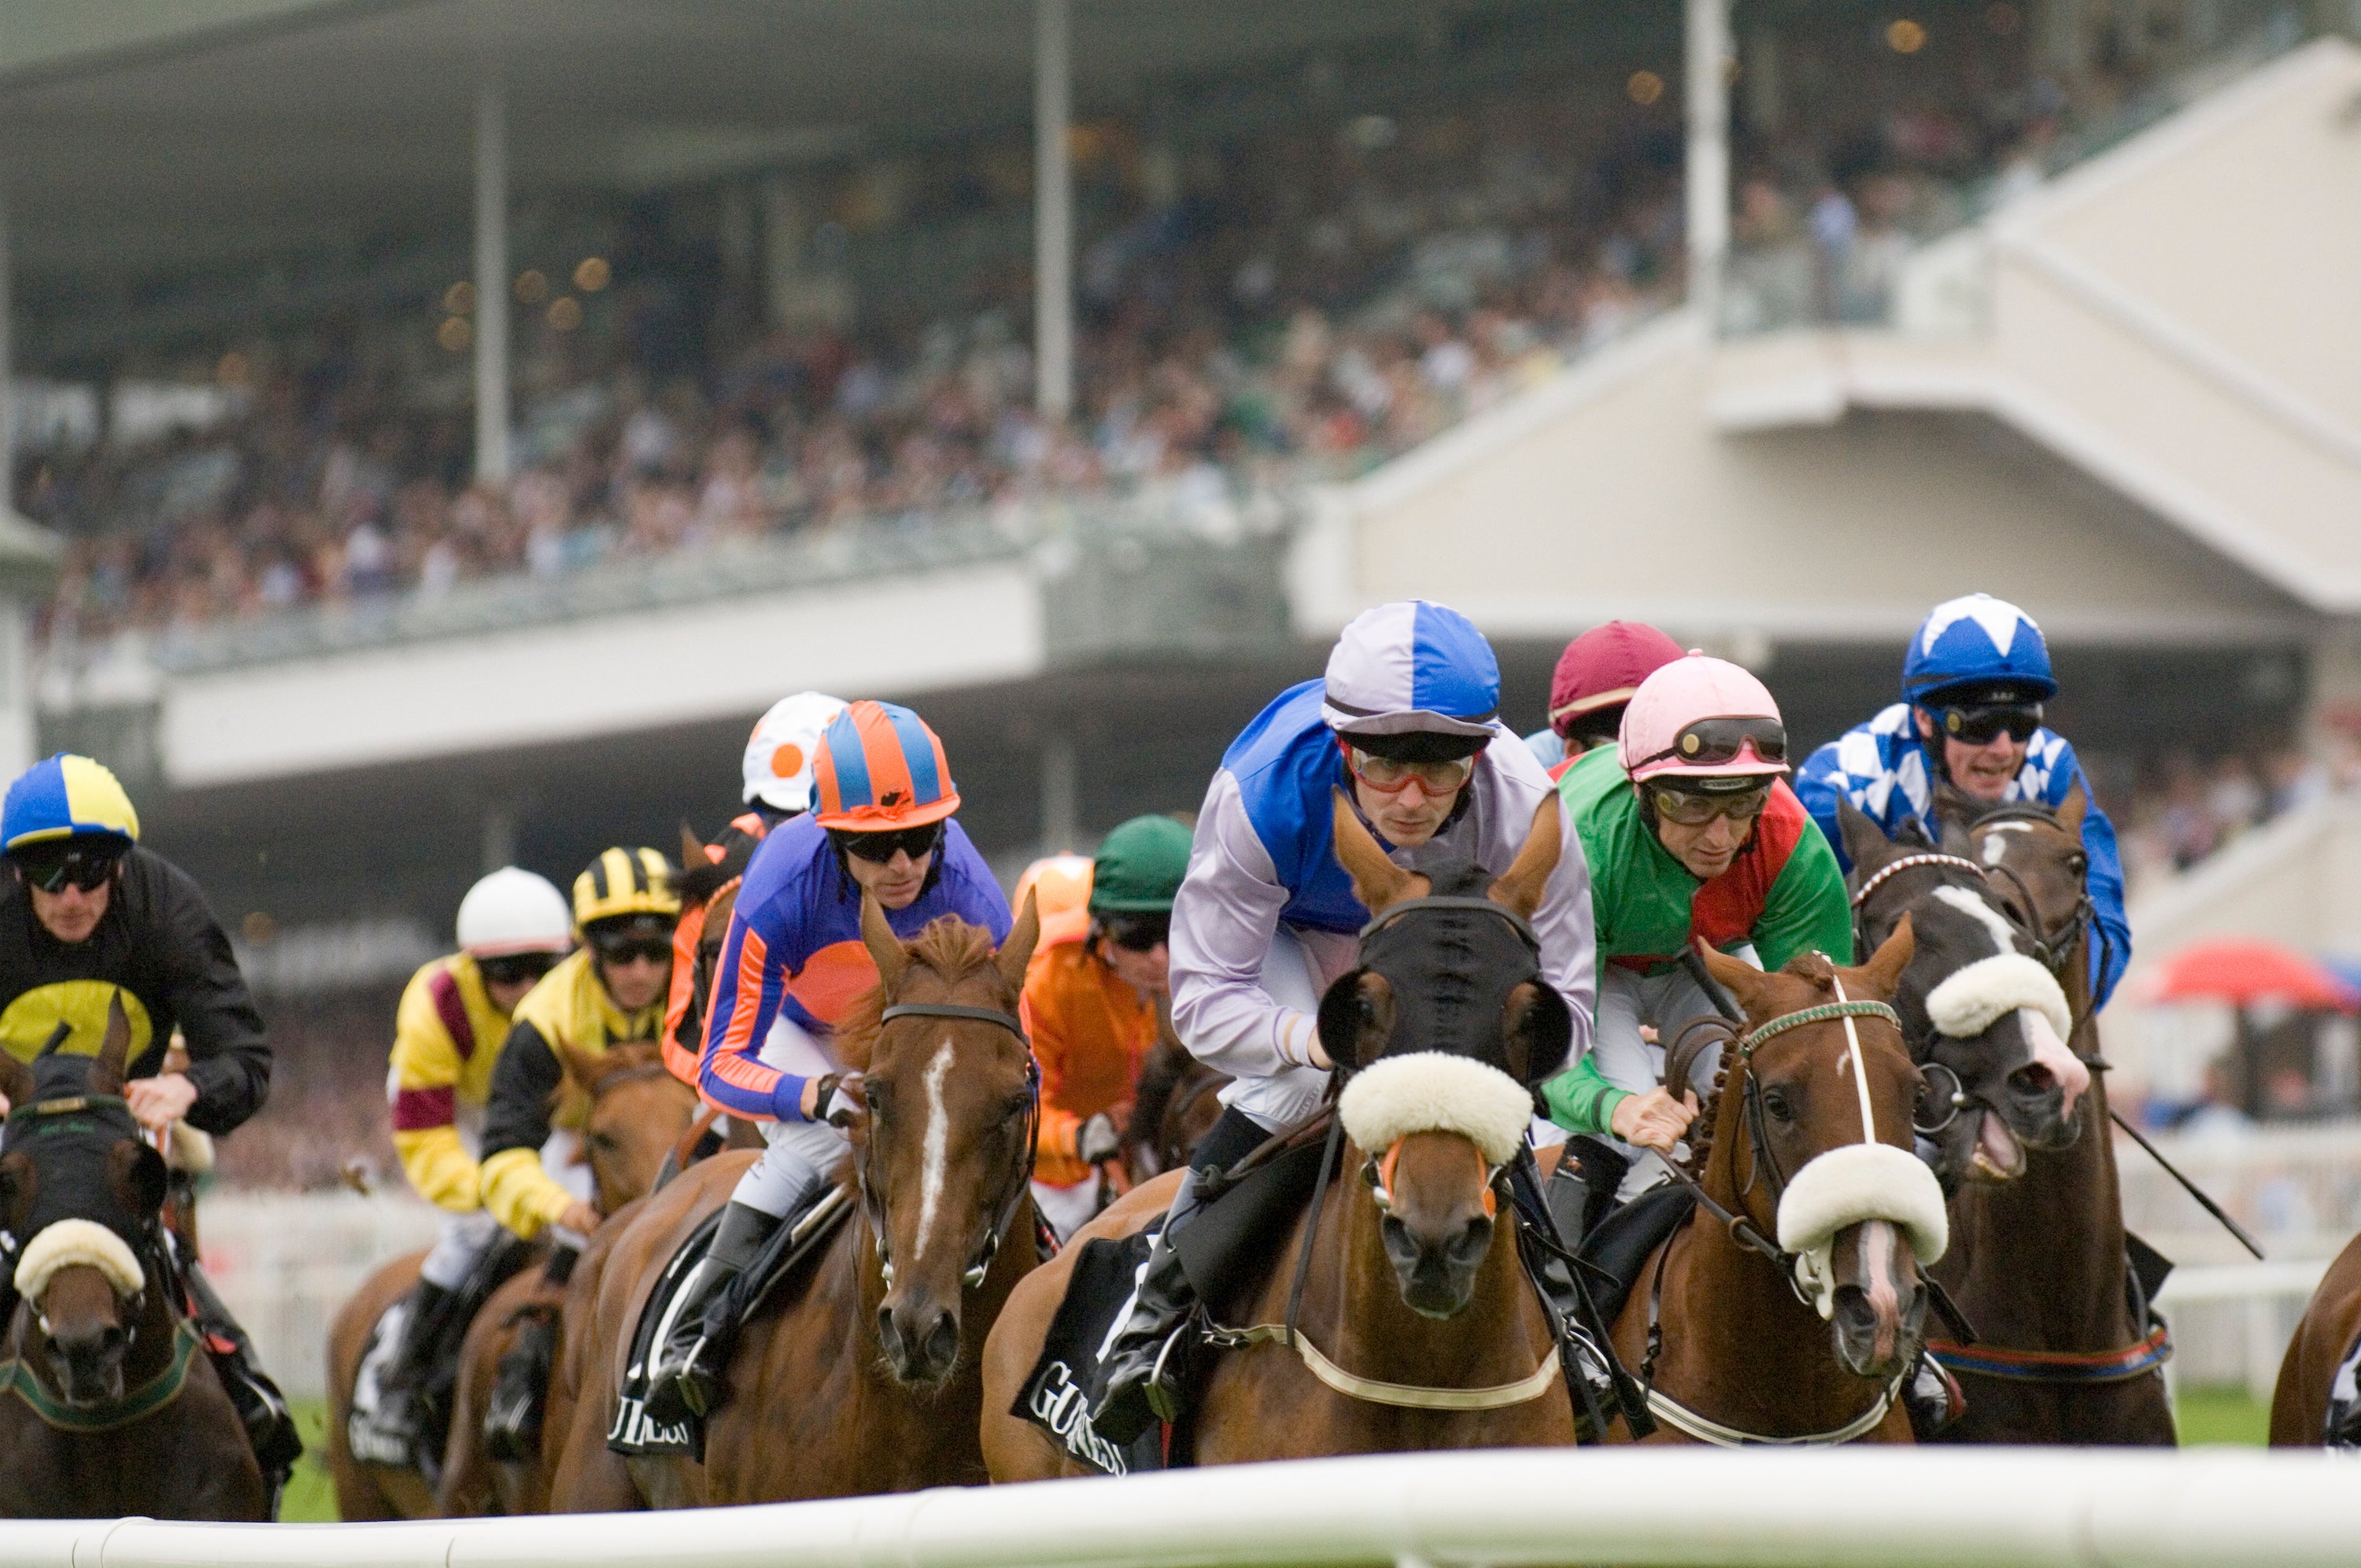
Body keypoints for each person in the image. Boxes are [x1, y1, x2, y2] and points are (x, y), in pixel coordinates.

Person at [1091, 599, 1604, 1442]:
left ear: (1479, 755)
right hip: (1294, 936)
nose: (1410, 797)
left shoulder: (1523, 806)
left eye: (1441, 771)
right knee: (1294, 1086)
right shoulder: (1260, 792)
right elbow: (1202, 1001)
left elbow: (1570, 1006)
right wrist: (1319, 1040)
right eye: (1384, 766)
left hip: (1450, 945)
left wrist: (1479, 1067)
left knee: (1475, 1106)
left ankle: (1570, 1320)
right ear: (1341, 747)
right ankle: (1155, 1313)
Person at [648, 700, 1011, 1421]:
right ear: (831, 832)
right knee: (814, 1146)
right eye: (877, 847)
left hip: (895, 1033)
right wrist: (809, 1094)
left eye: (921, 836)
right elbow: (721, 1063)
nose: (904, 864)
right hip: (797, 1029)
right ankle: (688, 1334)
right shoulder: (780, 884)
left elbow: (1007, 1058)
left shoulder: (975, 895)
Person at [0, 753, 298, 1485]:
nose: (71, 895)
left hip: (124, 1136)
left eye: (91, 873)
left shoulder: (167, 903)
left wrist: (190, 1087)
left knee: (190, 1295)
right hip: (15, 1150)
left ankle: (250, 1402)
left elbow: (245, 1056)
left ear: (122, 870)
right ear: (16, 874)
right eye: (48, 876)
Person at [1537, 654, 1852, 1219]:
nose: (1720, 836)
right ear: (1643, 793)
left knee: (1761, 1102)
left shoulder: (1791, 842)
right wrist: (1613, 1106)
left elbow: (1824, 1029)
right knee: (1629, 1128)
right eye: (1691, 803)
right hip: (1596, 972)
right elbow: (1552, 1040)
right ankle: (1562, 1288)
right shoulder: (1581, 844)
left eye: (1742, 802)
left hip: (1703, 958)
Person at [1794, 592, 2130, 1005]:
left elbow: (2105, 928)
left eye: (2023, 723)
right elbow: (1791, 930)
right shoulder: (1847, 779)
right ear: (1923, 719)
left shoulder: (2053, 766)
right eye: (1980, 725)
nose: (2004, 750)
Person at [368, 866, 575, 1444]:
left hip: (543, 1108)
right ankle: (401, 1377)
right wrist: (491, 1191)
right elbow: (427, 1139)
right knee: (475, 1231)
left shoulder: (584, 992)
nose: (530, 989)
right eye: (508, 973)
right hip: (463, 1106)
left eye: (544, 969)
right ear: (472, 968)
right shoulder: (435, 1008)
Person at [476, 849, 681, 1252]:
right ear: (590, 950)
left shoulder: (700, 993)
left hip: (680, 1139)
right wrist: (563, 1209)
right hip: (575, 1145)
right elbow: (503, 1155)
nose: (641, 972)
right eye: (623, 954)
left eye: (657, 952)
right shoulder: (544, 1021)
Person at [1021, 814, 1194, 1241]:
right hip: (1064, 1165)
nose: (1161, 958)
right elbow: (1016, 1112)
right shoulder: (1050, 980)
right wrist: (1078, 1136)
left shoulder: (1217, 958)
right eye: (1138, 935)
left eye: (1176, 931)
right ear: (1101, 930)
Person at [663, 692, 848, 1084]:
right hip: (772, 1038)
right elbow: (687, 1025)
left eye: (810, 818)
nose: (795, 835)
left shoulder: (897, 853)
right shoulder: (717, 873)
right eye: (776, 816)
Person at [1523, 620, 1687, 775]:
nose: (1637, 772)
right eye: (1613, 750)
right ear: (1573, 753)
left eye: (1663, 748)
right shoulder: (1523, 784)